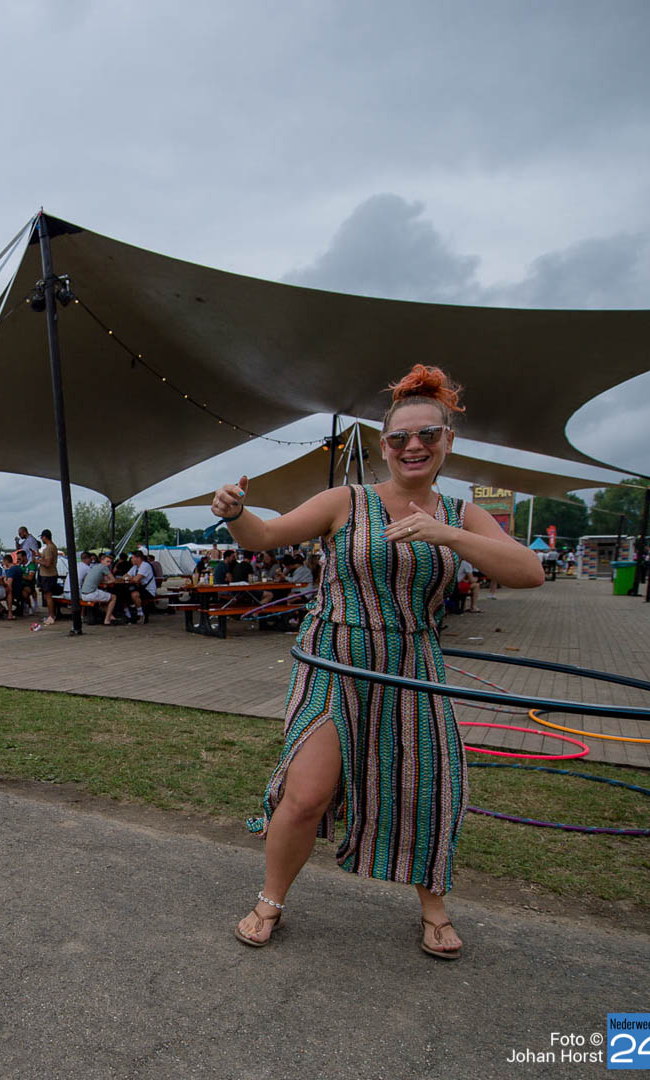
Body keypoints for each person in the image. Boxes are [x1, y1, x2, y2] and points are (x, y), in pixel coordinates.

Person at [215, 364, 542, 960]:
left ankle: (434, 909)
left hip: (412, 661)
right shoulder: (347, 500)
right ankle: (270, 901)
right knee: (307, 793)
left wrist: (449, 536)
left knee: (424, 786)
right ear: (384, 446)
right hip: (333, 657)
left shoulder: (462, 514)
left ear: (447, 441)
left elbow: (530, 573)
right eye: (399, 437)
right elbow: (264, 536)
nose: (413, 446)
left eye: (427, 435)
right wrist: (237, 513)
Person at [37, 529, 61, 598]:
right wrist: (39, 554)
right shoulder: (53, 546)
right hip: (51, 575)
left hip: (48, 576)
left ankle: (50, 606)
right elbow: (48, 557)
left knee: (48, 596)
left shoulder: (48, 549)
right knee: (47, 595)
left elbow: (48, 563)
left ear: (44, 537)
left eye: (42, 537)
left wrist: (37, 561)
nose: (41, 539)